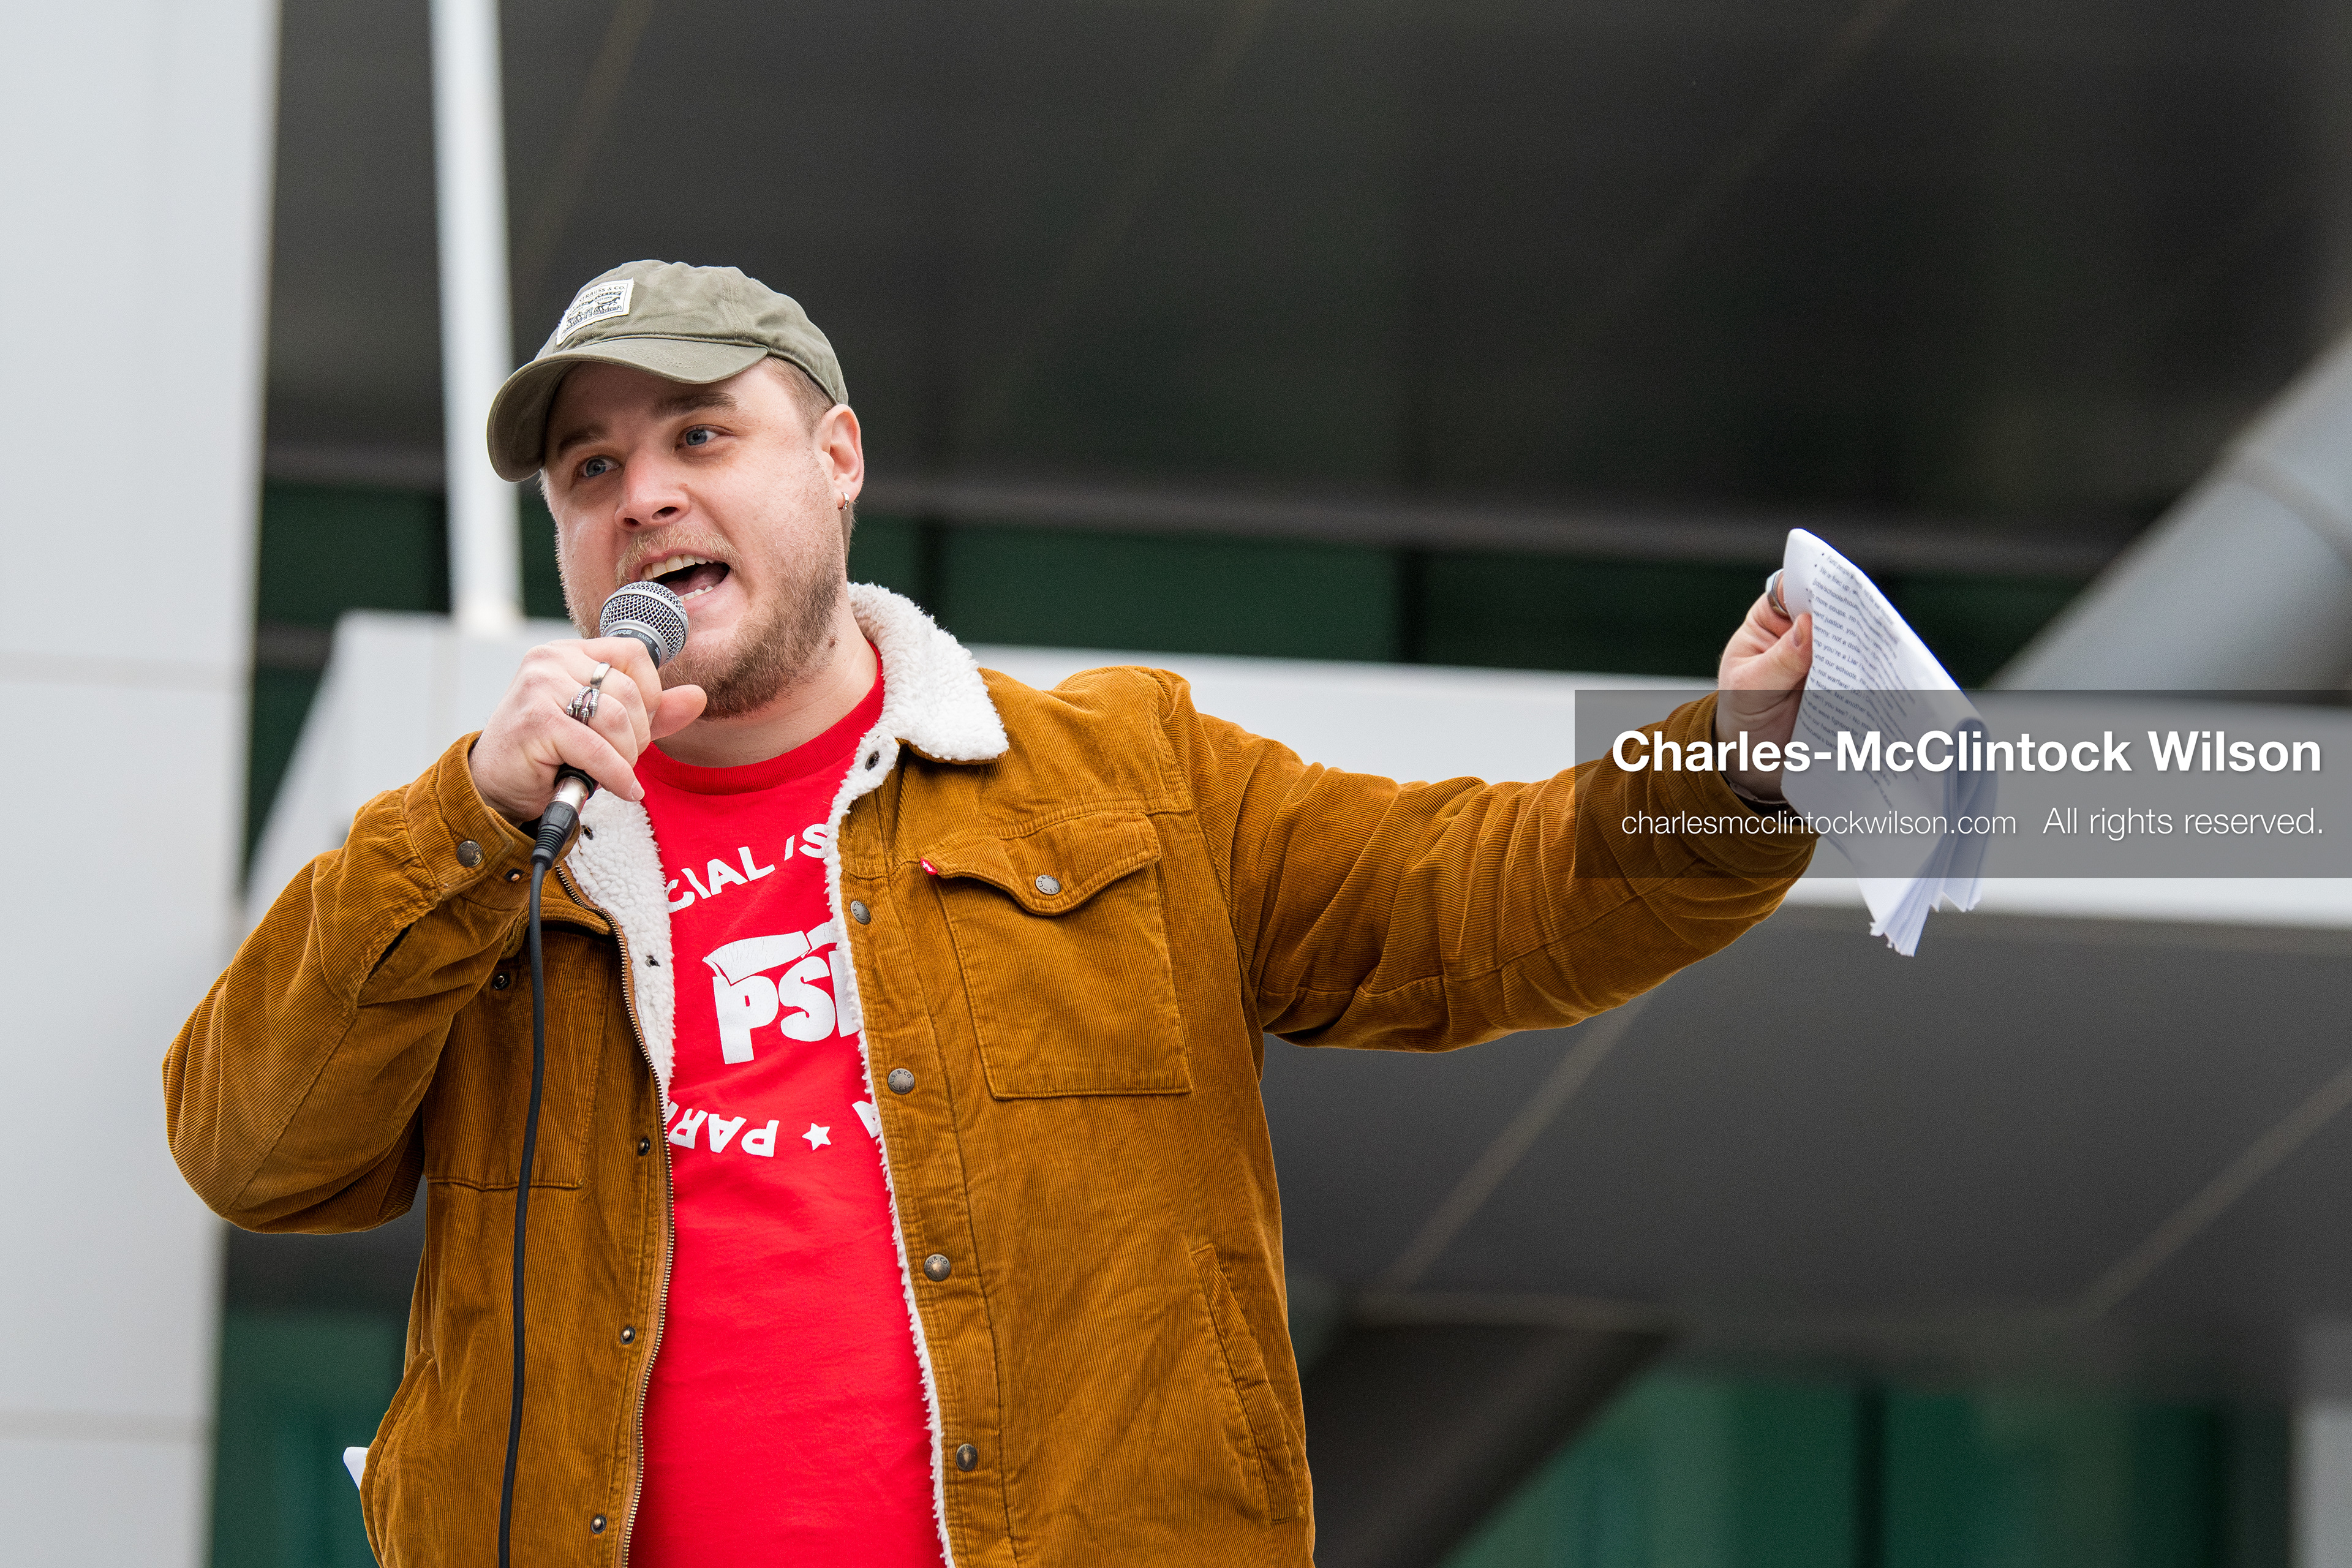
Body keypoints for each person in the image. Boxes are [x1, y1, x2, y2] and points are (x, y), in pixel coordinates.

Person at [166, 260, 1816, 1566]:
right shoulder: (499, 853)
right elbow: (250, 1148)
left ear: (837, 457)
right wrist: (472, 823)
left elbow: (1487, 901)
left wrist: (1731, 767)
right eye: (594, 467)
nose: (645, 495)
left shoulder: (1120, 779)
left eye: (700, 436)